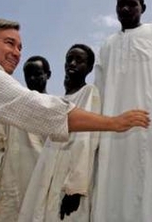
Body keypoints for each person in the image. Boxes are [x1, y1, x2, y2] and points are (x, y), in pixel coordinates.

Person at [0, 18, 149, 210]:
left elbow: (77, 142)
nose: (16, 52)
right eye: (9, 43)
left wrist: (74, 186)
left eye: (19, 47)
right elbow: (40, 112)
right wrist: (114, 123)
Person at [92, 0, 152, 222]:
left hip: (150, 123)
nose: (125, 9)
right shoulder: (107, 45)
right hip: (111, 129)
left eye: (131, 4)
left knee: (147, 185)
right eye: (120, 5)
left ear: (143, 7)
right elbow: (100, 89)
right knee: (111, 183)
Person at [19, 44, 100, 221]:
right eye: (69, 59)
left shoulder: (89, 92)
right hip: (48, 164)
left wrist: (75, 188)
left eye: (79, 60)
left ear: (89, 68)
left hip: (67, 170)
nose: (72, 63)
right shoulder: (60, 99)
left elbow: (85, 140)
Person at [0, 55, 51, 222]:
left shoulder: (58, 109)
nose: (32, 79)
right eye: (28, 75)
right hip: (13, 190)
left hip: (47, 188)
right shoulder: (11, 109)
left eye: (37, 74)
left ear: (48, 74)